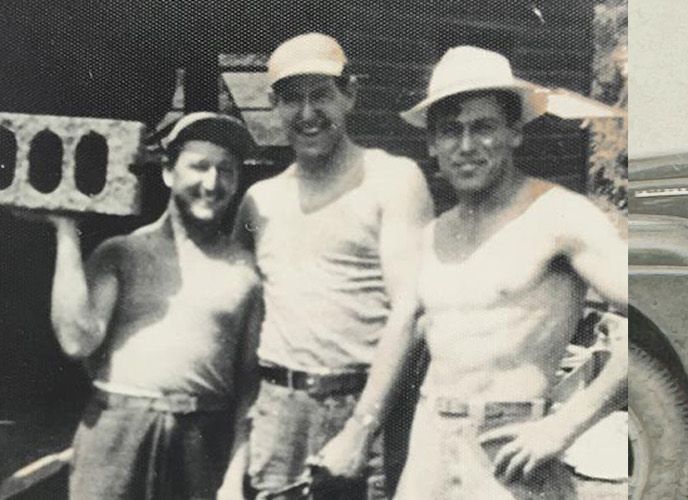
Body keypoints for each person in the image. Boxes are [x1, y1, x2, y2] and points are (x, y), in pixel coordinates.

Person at [344, 45, 627, 498]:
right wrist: (359, 429)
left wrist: (566, 424)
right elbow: (400, 334)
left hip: (512, 451)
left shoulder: (559, 217)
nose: (467, 146)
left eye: (483, 127)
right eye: (451, 131)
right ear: (433, 143)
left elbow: (658, 314)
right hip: (430, 446)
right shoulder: (433, 235)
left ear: (515, 132)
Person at [232, 32, 436, 499]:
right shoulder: (258, 202)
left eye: (321, 94)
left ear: (350, 94)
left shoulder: (392, 180)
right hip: (277, 411)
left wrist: (362, 429)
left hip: (365, 405)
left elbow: (411, 310)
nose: (307, 114)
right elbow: (241, 323)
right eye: (291, 99)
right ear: (273, 104)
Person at [29, 113, 259, 499]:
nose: (212, 183)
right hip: (116, 433)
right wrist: (66, 233)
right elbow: (76, 341)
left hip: (202, 441)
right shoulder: (122, 253)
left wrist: (236, 476)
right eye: (199, 167)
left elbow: (250, 388)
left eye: (226, 171)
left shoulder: (246, 273)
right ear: (168, 172)